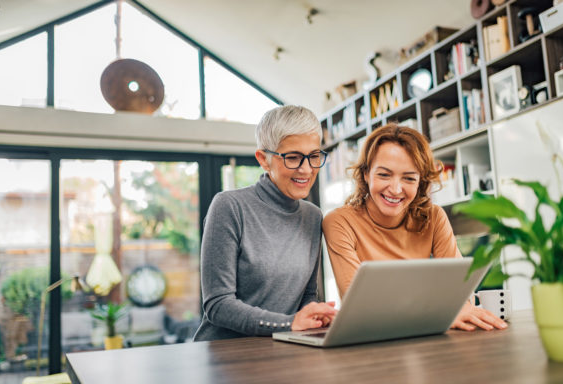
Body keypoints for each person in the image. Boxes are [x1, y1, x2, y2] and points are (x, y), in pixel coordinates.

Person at [322, 123, 507, 331]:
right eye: (384, 175)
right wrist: (439, 316)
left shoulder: (434, 217)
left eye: (409, 178)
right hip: (371, 340)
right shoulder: (339, 222)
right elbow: (358, 307)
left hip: (424, 339)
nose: (395, 189)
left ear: (420, 182)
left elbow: (460, 294)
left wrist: (457, 310)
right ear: (366, 174)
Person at [194, 105, 337, 341]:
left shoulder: (312, 216)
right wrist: (290, 323)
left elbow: (307, 294)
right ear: (264, 159)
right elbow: (218, 305)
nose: (306, 169)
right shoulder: (229, 206)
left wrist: (317, 314)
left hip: (282, 349)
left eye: (313, 156)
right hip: (225, 356)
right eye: (292, 157)